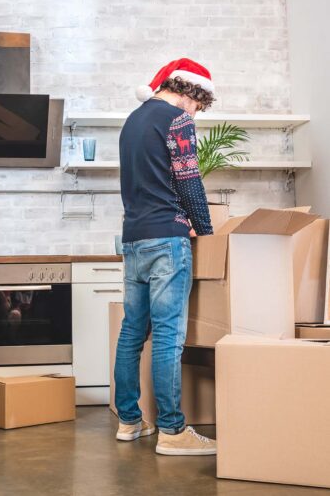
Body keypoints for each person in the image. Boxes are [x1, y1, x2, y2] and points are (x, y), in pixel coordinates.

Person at [114, 58, 217, 455]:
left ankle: (129, 421)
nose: (196, 112)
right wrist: (204, 230)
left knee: (131, 334)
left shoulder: (132, 122)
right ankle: (173, 432)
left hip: (134, 239)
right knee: (169, 337)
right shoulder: (176, 120)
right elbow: (188, 180)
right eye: (199, 104)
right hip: (167, 241)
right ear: (189, 91)